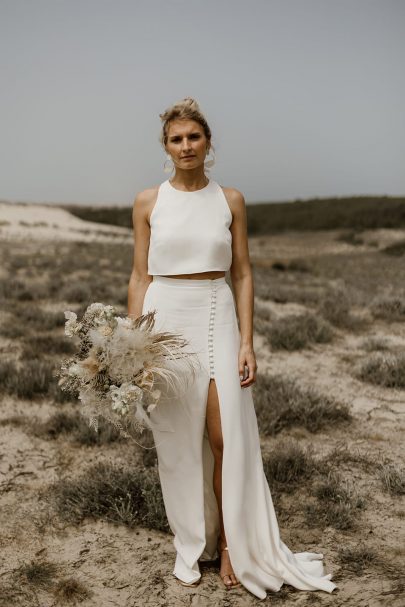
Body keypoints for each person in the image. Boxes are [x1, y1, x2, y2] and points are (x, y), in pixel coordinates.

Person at [127, 97, 337, 600]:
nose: (186, 146)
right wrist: (134, 345)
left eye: (194, 137)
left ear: (208, 143)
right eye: (176, 139)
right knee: (177, 442)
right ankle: (191, 541)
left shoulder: (232, 200)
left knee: (226, 438)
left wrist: (247, 341)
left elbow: (242, 272)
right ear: (166, 146)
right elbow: (139, 275)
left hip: (217, 314)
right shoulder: (147, 202)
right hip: (165, 319)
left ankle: (230, 547)